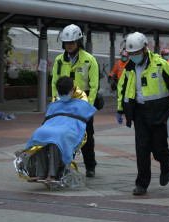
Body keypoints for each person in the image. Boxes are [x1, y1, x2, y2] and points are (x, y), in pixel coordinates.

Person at [117, 32, 169, 195]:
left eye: (136, 53)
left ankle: (165, 167)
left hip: (159, 111)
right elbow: (122, 89)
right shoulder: (129, 68)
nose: (133, 56)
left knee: (159, 148)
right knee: (142, 149)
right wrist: (120, 109)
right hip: (139, 112)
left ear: (145, 49)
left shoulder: (161, 65)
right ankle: (141, 183)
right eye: (130, 53)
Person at [25, 76, 96, 182]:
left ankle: (52, 174)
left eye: (65, 94)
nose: (62, 96)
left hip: (71, 126)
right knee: (40, 134)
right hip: (55, 124)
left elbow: (83, 113)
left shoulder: (81, 95)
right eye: (60, 94)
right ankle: (41, 173)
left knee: (56, 137)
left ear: (72, 90)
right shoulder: (57, 96)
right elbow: (52, 111)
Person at [51, 24, 99, 177]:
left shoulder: (89, 60)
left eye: (71, 42)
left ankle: (90, 166)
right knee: (64, 134)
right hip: (64, 101)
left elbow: (94, 85)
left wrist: (88, 107)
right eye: (66, 43)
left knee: (86, 136)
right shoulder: (59, 60)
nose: (68, 45)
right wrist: (55, 103)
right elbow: (54, 83)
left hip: (82, 102)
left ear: (79, 42)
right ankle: (64, 165)